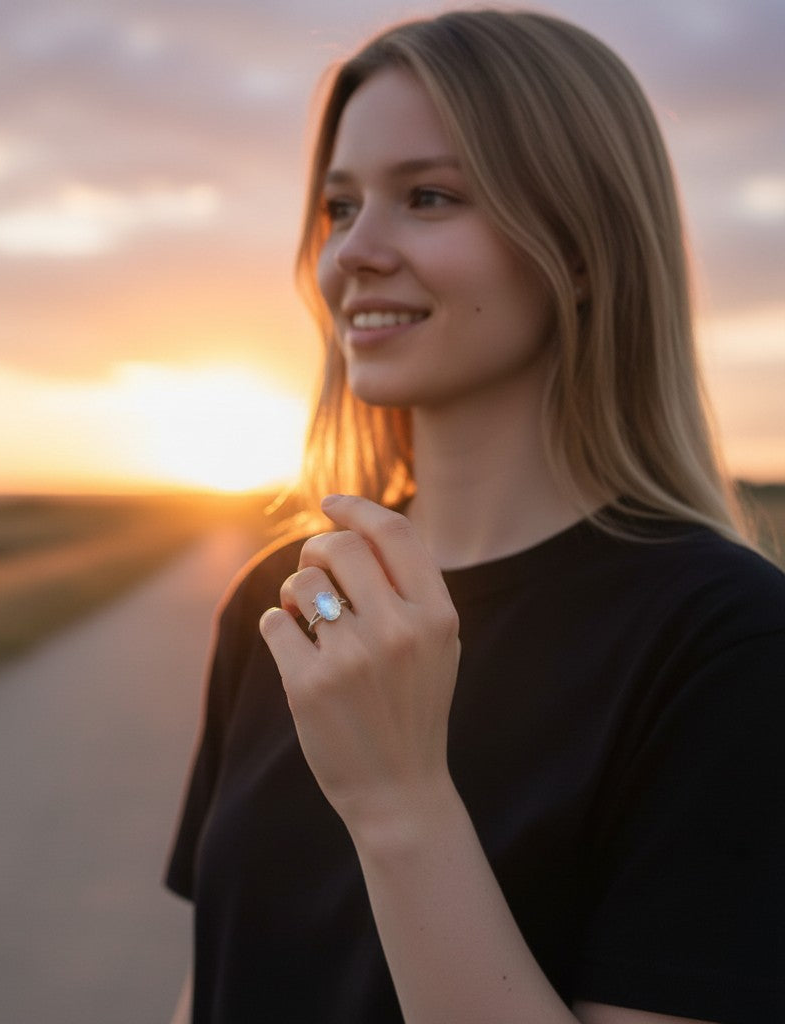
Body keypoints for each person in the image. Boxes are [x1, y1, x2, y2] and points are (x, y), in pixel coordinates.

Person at [165, 9, 785, 1023]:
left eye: (427, 196)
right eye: (338, 205)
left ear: (583, 248)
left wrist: (402, 805)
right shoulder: (290, 599)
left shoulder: (731, 649)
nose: (353, 253)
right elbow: (214, 983)